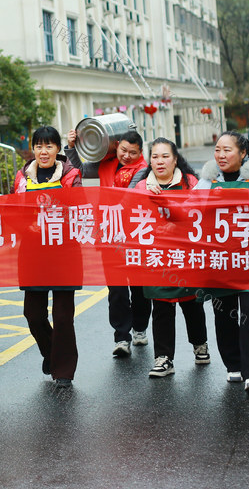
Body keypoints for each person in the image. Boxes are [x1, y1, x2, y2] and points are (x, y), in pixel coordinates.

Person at [194, 131, 249, 396]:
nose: (221, 155)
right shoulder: (206, 180)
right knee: (223, 313)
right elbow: (188, 208)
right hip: (219, 259)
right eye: (218, 150)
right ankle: (234, 364)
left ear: (243, 154)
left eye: (228, 150)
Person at [66, 128, 150, 357]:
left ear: (140, 152)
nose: (127, 156)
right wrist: (72, 147)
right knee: (117, 289)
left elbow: (128, 197)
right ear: (116, 146)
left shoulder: (143, 170)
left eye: (132, 152)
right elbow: (80, 171)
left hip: (136, 238)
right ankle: (121, 336)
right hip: (109, 236)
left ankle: (140, 327)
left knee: (139, 287)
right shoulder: (105, 163)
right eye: (123, 150)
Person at [132, 138, 210, 378]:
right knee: (161, 306)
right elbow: (133, 220)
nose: (160, 161)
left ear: (175, 159)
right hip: (156, 258)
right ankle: (164, 358)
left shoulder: (191, 183)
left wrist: (174, 224)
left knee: (191, 305)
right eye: (155, 156)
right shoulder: (141, 187)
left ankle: (200, 344)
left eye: (165, 156)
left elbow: (200, 214)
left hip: (186, 256)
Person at [12, 127, 82, 388]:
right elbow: (13, 212)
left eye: (49, 146)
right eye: (39, 146)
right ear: (33, 149)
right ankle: (51, 352)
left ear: (57, 149)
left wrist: (55, 221)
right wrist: (25, 226)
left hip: (64, 253)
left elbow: (80, 209)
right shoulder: (22, 178)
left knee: (63, 316)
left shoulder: (71, 175)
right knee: (33, 314)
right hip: (32, 253)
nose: (44, 151)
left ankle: (64, 370)